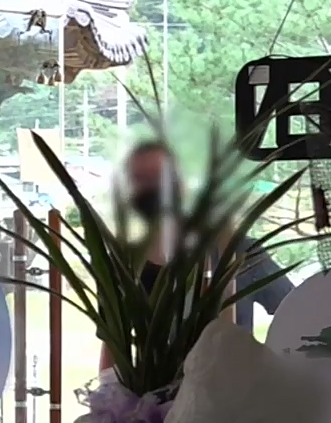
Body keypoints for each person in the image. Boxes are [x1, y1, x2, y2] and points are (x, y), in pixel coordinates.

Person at [121, 140, 294, 333]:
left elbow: (297, 313)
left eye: (159, 176)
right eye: (140, 179)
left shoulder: (241, 252)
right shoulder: (124, 263)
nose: (152, 188)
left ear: (181, 185)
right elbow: (113, 340)